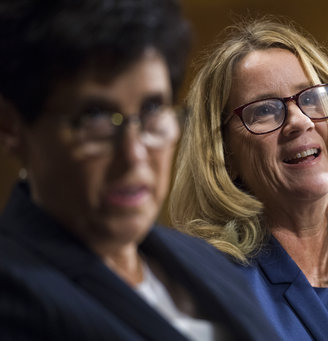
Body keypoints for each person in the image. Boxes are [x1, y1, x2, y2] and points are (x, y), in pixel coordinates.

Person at [0, 1, 280, 340]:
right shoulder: (13, 296)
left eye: (152, 109)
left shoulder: (205, 259)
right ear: (11, 128)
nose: (134, 156)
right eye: (96, 119)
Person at [169, 18, 328, 340]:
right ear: (224, 155)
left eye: (310, 98)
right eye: (264, 110)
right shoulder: (217, 292)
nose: (300, 121)